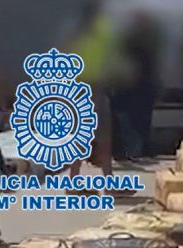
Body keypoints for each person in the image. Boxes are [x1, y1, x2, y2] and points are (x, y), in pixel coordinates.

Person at [67, 0, 118, 191]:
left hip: (87, 85)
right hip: (87, 84)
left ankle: (77, 182)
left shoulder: (81, 28)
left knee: (90, 135)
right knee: (96, 135)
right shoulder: (89, 28)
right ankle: (102, 183)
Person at [115, 11, 161, 159]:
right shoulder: (146, 46)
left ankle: (134, 149)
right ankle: (140, 149)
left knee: (134, 121)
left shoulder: (135, 47)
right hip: (138, 89)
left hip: (135, 89)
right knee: (139, 121)